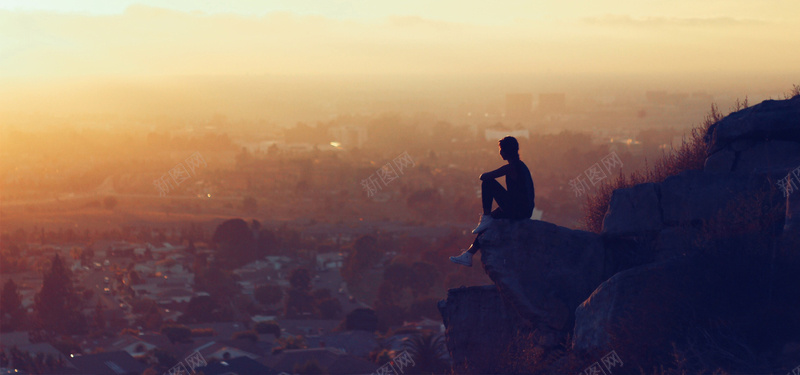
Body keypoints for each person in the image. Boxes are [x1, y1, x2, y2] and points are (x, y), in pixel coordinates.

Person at [449, 136, 535, 267]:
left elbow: (483, 177)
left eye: (501, 149)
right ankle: (469, 254)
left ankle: (486, 215)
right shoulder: (521, 166)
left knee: (487, 183)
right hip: (522, 209)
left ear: (506, 151)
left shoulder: (512, 167)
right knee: (488, 224)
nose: (500, 152)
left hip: (517, 209)